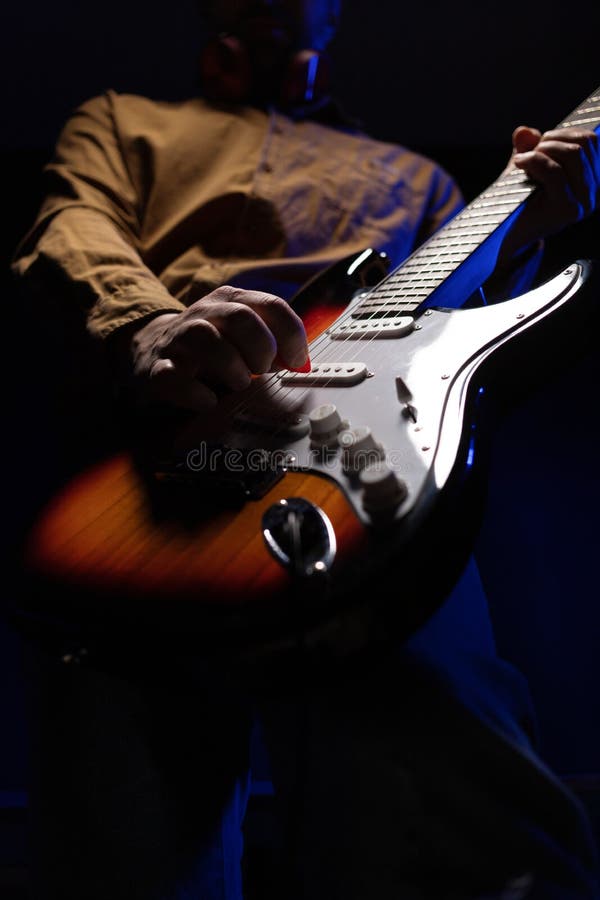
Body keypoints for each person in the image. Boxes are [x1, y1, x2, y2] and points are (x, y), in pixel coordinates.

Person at [11, 1, 600, 898]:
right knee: (122, 828)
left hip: (376, 467)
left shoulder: (421, 178)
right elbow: (69, 227)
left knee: (454, 811)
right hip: (164, 454)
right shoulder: (121, 118)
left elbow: (462, 333)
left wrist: (528, 221)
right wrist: (153, 325)